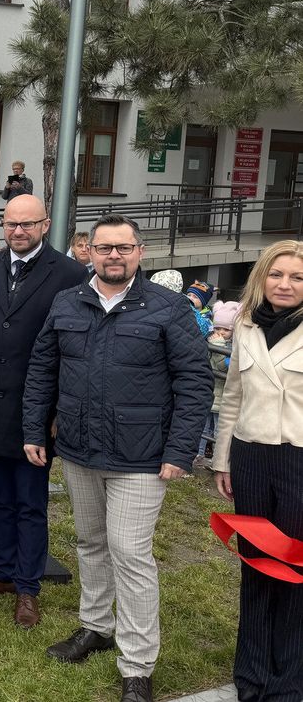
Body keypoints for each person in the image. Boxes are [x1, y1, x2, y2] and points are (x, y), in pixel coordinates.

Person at [23, 214, 212, 702]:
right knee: (90, 542)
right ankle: (96, 626)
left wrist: (180, 451)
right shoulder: (69, 302)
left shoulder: (168, 309)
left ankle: (137, 665)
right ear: (88, 251)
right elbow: (43, 368)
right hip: (80, 449)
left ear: (139, 253)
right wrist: (33, 429)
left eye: (123, 248)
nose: (113, 256)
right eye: (104, 248)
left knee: (130, 553)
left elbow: (194, 382)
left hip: (142, 456)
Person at [0, 195, 87, 628]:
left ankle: (28, 587)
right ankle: (2, 571)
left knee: (30, 501)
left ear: (45, 224)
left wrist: (57, 410)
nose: (19, 231)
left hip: (37, 407)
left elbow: (74, 348)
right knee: (0, 498)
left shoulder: (71, 273)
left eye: (28, 224)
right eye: (12, 223)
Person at [212, 241, 303, 702]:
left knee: (293, 571)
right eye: (276, 274)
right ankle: (251, 676)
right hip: (250, 458)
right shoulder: (246, 325)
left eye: (297, 277)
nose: (284, 284)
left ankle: (289, 681)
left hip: (297, 462)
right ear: (261, 277)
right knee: (256, 567)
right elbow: (232, 397)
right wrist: (222, 459)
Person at [196, 300, 239, 467]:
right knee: (203, 428)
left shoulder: (233, 347)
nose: (221, 332)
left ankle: (217, 460)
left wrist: (218, 345)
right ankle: (199, 455)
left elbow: (225, 368)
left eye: (226, 329)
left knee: (220, 431)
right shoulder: (210, 341)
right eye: (218, 328)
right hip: (209, 394)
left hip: (223, 398)